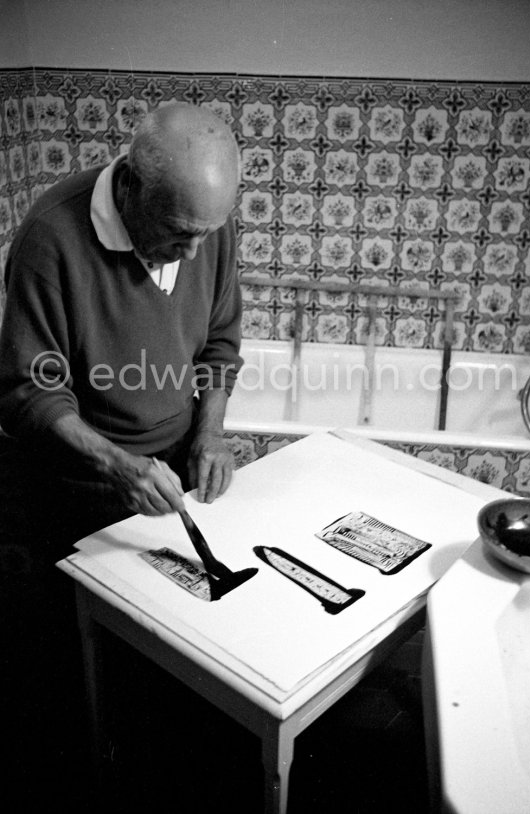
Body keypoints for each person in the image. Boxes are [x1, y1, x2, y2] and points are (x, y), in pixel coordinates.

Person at [0, 102, 243, 806]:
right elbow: (26, 395)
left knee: (170, 654)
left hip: (168, 463)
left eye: (208, 234)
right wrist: (115, 464)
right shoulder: (52, 236)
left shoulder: (202, 224)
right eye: (178, 234)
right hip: (79, 480)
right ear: (131, 188)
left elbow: (220, 345)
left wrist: (210, 432)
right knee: (79, 666)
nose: (195, 253)